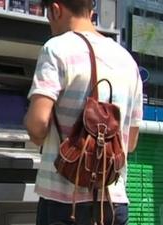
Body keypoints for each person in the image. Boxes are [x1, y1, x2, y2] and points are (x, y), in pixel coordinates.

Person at [24, 0, 143, 224]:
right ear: (91, 10)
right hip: (113, 203)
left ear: (55, 10)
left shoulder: (56, 49)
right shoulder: (128, 61)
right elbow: (132, 141)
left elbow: (37, 124)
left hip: (65, 202)